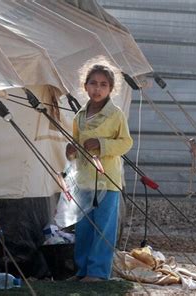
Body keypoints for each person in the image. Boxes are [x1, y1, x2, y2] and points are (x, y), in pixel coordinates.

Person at [66, 58, 133, 282]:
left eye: (103, 84)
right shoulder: (80, 116)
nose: (97, 88)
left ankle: (98, 272)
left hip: (107, 180)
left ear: (111, 89)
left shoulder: (116, 116)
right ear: (85, 86)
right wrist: (71, 150)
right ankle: (83, 270)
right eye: (93, 83)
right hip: (85, 180)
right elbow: (76, 142)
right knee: (84, 227)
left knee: (103, 227)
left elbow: (125, 143)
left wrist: (102, 144)